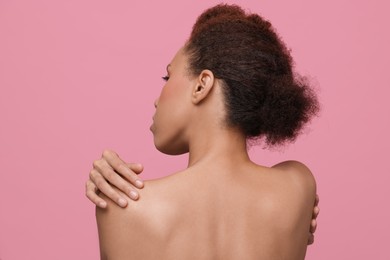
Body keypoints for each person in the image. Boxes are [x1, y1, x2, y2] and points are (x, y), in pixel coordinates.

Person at [87, 4, 320, 259]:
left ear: (201, 86)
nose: (156, 100)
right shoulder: (298, 185)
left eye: (167, 77)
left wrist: (108, 194)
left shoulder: (123, 206)